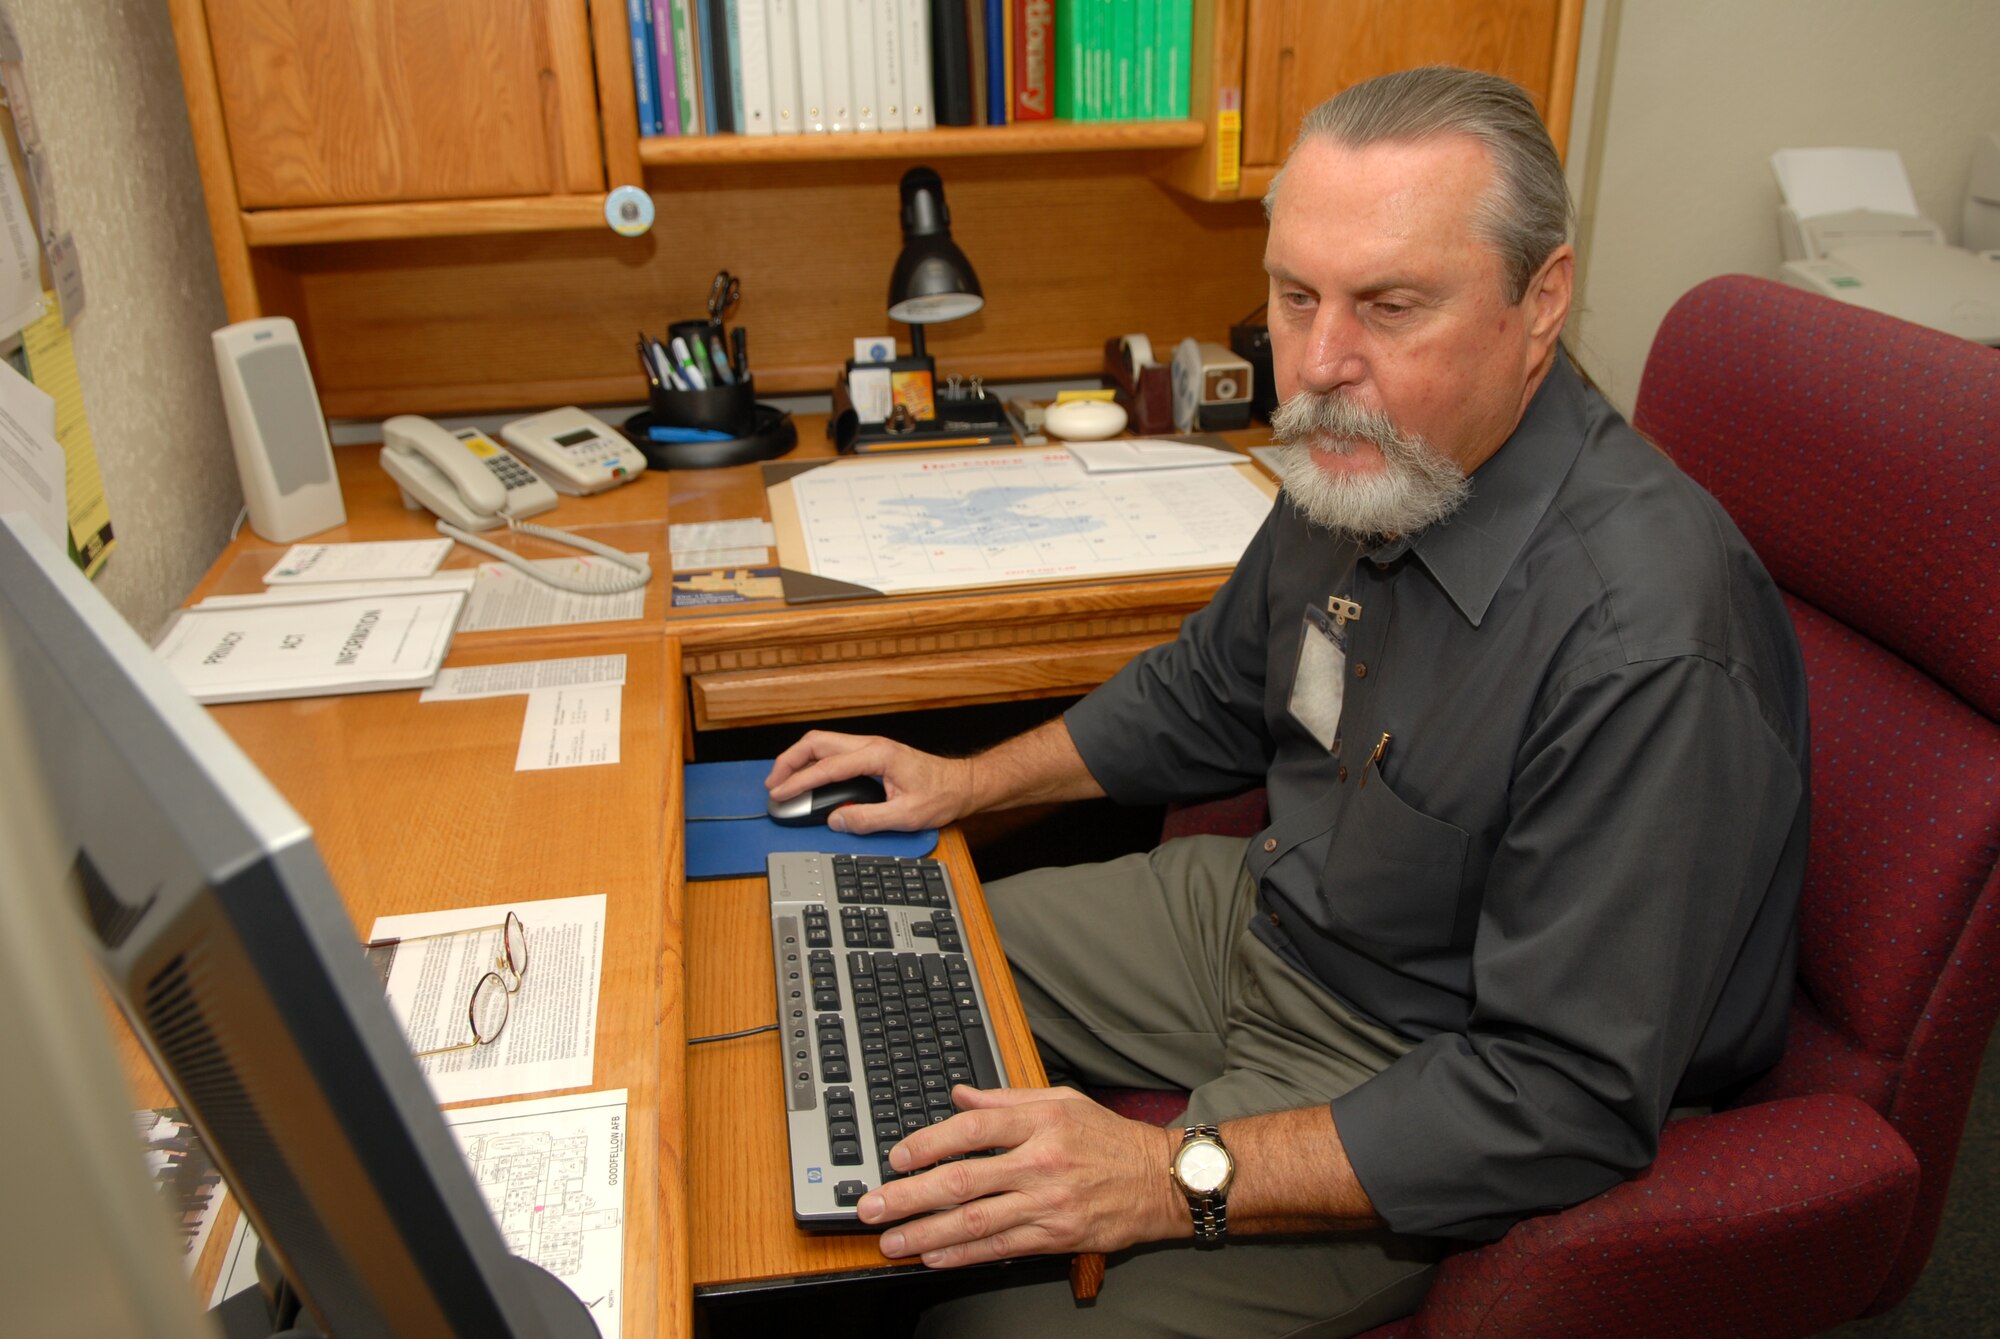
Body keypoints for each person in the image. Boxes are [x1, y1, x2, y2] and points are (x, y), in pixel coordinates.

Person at [767, 65, 1810, 1338]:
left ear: (1540, 301)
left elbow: (1558, 1096)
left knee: (993, 1328)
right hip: (1264, 915)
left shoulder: (1647, 643)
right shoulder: (1363, 457)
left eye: (1388, 304)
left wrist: (1164, 1176)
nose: (1316, 364)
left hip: (1428, 1065)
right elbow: (1209, 687)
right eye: (1294, 294)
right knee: (861, 959)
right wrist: (969, 782)